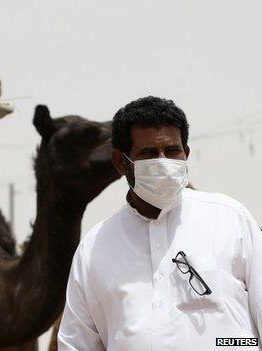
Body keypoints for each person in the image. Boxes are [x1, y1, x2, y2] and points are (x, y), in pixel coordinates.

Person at [57, 96, 261, 350]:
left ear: (186, 154)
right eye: (149, 153)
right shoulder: (95, 249)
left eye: (172, 151)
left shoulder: (230, 220)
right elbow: (76, 343)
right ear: (121, 162)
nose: (163, 161)